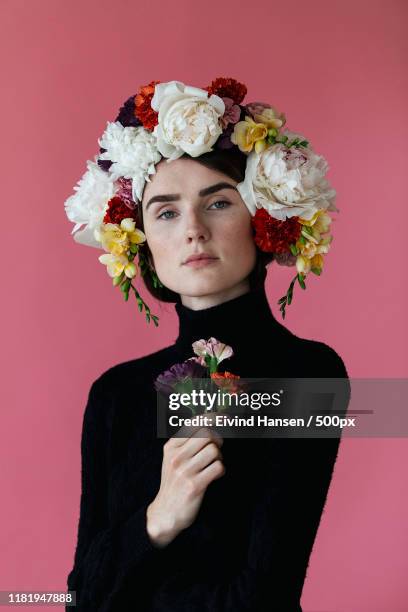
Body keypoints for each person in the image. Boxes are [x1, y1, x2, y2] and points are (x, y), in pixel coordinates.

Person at [64, 78, 350, 611]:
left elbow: (264, 595)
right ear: (143, 242)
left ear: (263, 220)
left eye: (217, 203)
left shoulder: (309, 373)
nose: (193, 229)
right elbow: (78, 598)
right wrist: (159, 517)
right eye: (166, 212)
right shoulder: (115, 394)